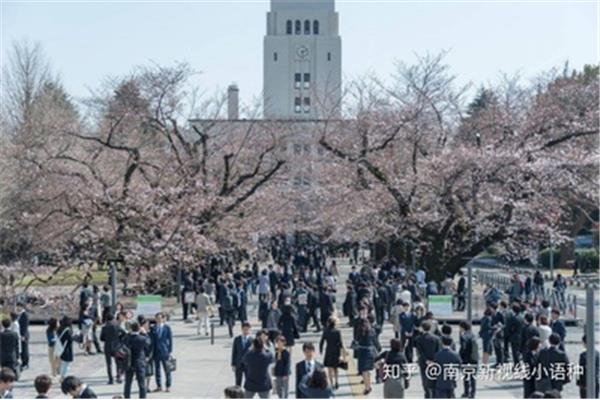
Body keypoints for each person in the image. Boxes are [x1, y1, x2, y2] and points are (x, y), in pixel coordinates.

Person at [123, 322, 151, 399]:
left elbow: (122, 343)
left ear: (131, 329)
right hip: (139, 361)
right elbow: (149, 343)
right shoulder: (142, 338)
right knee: (141, 383)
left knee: (128, 383)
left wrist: (128, 333)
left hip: (129, 362)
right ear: (139, 329)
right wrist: (145, 333)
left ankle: (127, 397)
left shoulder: (127, 338)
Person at [414, 320, 442, 398]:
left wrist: (426, 360)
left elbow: (420, 352)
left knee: (425, 380)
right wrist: (433, 360)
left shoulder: (419, 339)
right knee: (433, 380)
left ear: (422, 328)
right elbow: (438, 350)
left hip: (424, 362)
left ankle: (427, 395)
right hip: (434, 362)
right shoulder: (436, 338)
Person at [355, 320, 381, 395]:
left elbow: (357, 339)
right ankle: (368, 386)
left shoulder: (360, 330)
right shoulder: (372, 330)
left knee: (364, 371)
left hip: (362, 352)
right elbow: (375, 341)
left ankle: (367, 387)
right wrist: (379, 348)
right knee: (368, 371)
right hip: (370, 351)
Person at [319, 316, 344, 390]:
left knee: (330, 368)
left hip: (329, 351)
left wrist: (320, 349)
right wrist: (342, 353)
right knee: (336, 368)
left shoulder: (326, 331)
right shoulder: (338, 332)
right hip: (336, 351)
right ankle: (337, 381)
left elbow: (322, 341)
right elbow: (340, 343)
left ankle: (331, 383)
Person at [151, 313, 173, 393]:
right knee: (157, 370)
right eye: (157, 318)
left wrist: (170, 351)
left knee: (167, 369)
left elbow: (170, 340)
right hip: (156, 351)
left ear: (163, 319)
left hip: (165, 351)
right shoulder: (153, 328)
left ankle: (168, 385)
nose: (159, 320)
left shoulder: (167, 328)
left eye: (160, 318)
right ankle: (159, 386)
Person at [100, 313, 123, 384]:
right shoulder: (117, 326)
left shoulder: (104, 327)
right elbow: (124, 333)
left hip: (107, 346)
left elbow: (101, 338)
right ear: (113, 319)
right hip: (116, 346)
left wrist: (107, 339)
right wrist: (119, 339)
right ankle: (118, 377)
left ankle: (111, 379)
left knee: (109, 364)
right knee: (118, 362)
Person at [459, 321, 478, 398]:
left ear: (463, 327)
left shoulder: (464, 336)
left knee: (466, 377)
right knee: (473, 377)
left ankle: (466, 392)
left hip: (466, 359)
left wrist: (460, 357)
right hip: (474, 358)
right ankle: (472, 394)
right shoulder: (474, 335)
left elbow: (463, 348)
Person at [576, 334, 599, 399]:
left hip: (585, 382)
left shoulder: (583, 355)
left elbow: (581, 370)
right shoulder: (597, 353)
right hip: (596, 381)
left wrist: (579, 382)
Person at [231, 322, 253, 387]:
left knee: (248, 380)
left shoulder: (252, 340)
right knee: (238, 381)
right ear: (242, 329)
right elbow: (234, 352)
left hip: (248, 364)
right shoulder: (237, 339)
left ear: (249, 330)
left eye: (247, 329)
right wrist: (233, 364)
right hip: (239, 363)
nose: (246, 331)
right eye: (244, 329)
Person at [58, 316, 74, 381]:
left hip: (60, 347)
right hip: (66, 348)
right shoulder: (67, 330)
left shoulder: (60, 328)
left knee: (63, 363)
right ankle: (62, 376)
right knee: (65, 363)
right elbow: (70, 339)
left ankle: (62, 375)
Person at [16, 304, 29, 370]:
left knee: (25, 349)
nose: (17, 308)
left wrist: (23, 335)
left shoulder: (24, 314)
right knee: (22, 349)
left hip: (24, 335)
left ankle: (25, 363)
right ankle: (23, 362)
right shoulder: (19, 314)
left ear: (22, 307)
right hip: (20, 334)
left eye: (18, 306)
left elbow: (25, 326)